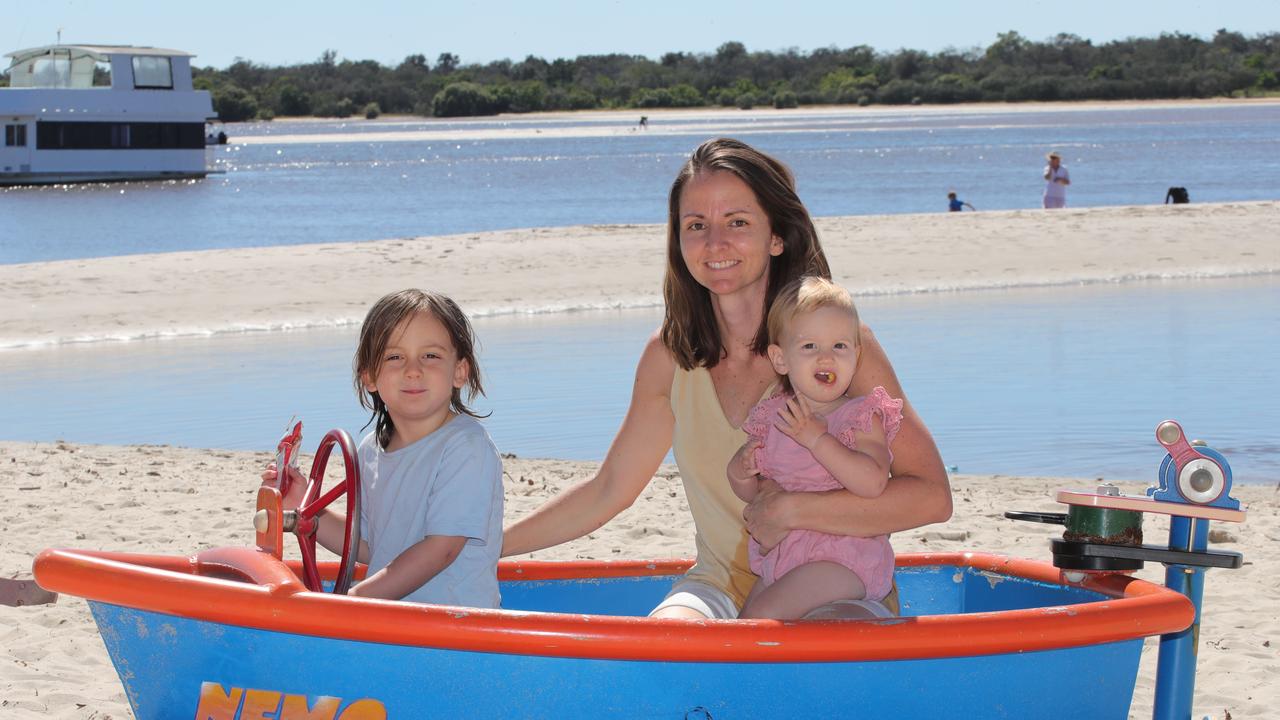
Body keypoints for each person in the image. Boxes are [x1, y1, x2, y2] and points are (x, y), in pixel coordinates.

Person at [502, 137, 952, 620]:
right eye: (696, 225)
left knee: (814, 646)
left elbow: (931, 497)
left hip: (836, 584)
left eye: (737, 222)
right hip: (718, 584)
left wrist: (794, 510)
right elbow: (609, 488)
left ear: (776, 235)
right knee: (670, 640)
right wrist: (489, 547)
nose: (715, 243)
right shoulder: (668, 356)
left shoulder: (839, 346)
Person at [263, 288, 504, 607]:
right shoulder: (370, 450)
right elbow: (368, 546)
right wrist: (308, 509)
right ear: (370, 376)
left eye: (430, 356)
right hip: (390, 620)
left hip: (456, 630)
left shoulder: (466, 446)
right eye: (394, 357)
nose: (413, 369)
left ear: (460, 370)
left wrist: (355, 599)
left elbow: (442, 549)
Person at [728, 276, 902, 619]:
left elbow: (872, 482)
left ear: (856, 355)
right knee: (746, 617)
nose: (826, 358)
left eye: (839, 346)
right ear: (781, 359)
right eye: (809, 347)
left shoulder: (860, 416)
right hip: (785, 557)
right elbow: (755, 496)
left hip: (842, 559)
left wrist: (817, 440)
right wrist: (739, 470)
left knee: (760, 618)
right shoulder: (776, 415)